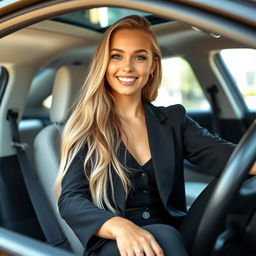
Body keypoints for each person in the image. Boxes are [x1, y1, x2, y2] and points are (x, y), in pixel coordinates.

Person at [55, 15, 256, 256]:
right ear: (104, 63)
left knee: (239, 191)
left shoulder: (173, 120)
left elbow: (230, 159)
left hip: (172, 230)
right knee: (164, 240)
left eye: (139, 57)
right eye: (116, 56)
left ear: (153, 65)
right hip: (114, 242)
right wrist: (120, 227)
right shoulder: (86, 126)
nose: (127, 67)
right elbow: (71, 199)